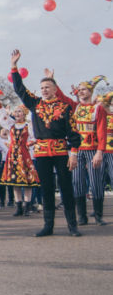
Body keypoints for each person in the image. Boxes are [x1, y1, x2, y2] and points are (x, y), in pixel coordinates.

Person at [10, 50, 81, 237]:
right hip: (41, 152)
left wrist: (73, 153)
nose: (44, 91)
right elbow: (19, 89)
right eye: (42, 88)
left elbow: (73, 133)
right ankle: (48, 225)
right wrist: (14, 66)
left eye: (47, 87)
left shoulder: (65, 107)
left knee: (66, 187)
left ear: (55, 89)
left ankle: (72, 225)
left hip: (60, 151)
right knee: (46, 189)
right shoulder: (35, 104)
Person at [53, 75, 108, 226]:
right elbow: (61, 97)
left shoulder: (98, 108)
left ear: (90, 91)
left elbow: (102, 131)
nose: (81, 92)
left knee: (96, 182)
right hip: (76, 150)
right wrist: (53, 81)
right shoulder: (74, 106)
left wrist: (100, 152)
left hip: (92, 149)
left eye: (84, 89)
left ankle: (98, 215)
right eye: (80, 90)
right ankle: (82, 216)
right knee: (77, 182)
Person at [0, 99, 41, 217]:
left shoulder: (28, 125)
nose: (17, 114)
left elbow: (36, 137)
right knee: (15, 181)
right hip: (13, 155)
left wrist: (30, 143)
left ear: (24, 114)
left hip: (24, 155)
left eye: (19, 112)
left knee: (27, 182)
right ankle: (19, 205)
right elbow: (2, 116)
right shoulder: (11, 124)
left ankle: (27, 205)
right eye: (15, 112)